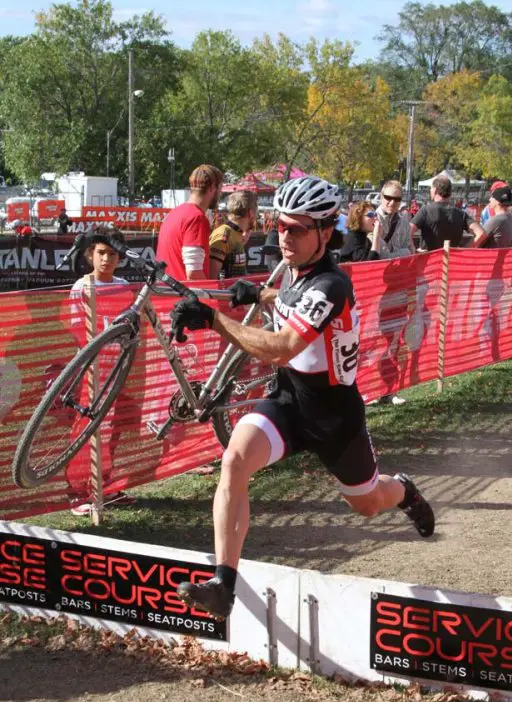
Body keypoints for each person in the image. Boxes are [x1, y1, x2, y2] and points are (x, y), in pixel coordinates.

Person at [169, 176, 435, 620]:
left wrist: (213, 321)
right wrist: (260, 292)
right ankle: (222, 584)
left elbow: (283, 345)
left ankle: (403, 490)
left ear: (325, 233)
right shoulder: (297, 270)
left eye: (296, 229)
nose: (284, 237)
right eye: (280, 226)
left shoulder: (332, 285)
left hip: (335, 415)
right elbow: (292, 298)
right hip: (290, 398)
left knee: (368, 504)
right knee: (234, 460)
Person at [68, 226, 137, 515]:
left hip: (116, 369)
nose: (106, 259)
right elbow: (75, 329)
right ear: (89, 255)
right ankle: (78, 492)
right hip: (92, 370)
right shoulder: (82, 287)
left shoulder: (123, 287)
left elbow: (130, 328)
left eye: (112, 254)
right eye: (101, 253)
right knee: (86, 426)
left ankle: (105, 486)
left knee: (111, 429)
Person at [156, 164, 224, 281]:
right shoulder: (197, 218)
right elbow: (193, 273)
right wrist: (212, 296)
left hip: (166, 293)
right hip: (185, 296)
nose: (220, 194)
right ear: (213, 187)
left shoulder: (174, 213)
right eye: (220, 189)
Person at [410, 175, 484, 250]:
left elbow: (407, 232)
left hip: (430, 259)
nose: (430, 190)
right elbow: (481, 233)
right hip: (452, 260)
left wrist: (413, 250)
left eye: (431, 188)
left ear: (435, 190)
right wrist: (466, 250)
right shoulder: (460, 213)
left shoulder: (425, 211)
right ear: (450, 193)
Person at [208, 190, 258, 279]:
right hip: (225, 291)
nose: (256, 217)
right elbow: (212, 275)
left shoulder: (236, 233)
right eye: (256, 213)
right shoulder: (224, 234)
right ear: (250, 213)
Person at [377, 181, 414, 258]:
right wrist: (405, 252)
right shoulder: (373, 220)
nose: (392, 202)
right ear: (381, 197)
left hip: (400, 268)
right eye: (388, 198)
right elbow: (382, 256)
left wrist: (406, 252)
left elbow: (410, 250)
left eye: (397, 199)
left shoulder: (404, 221)